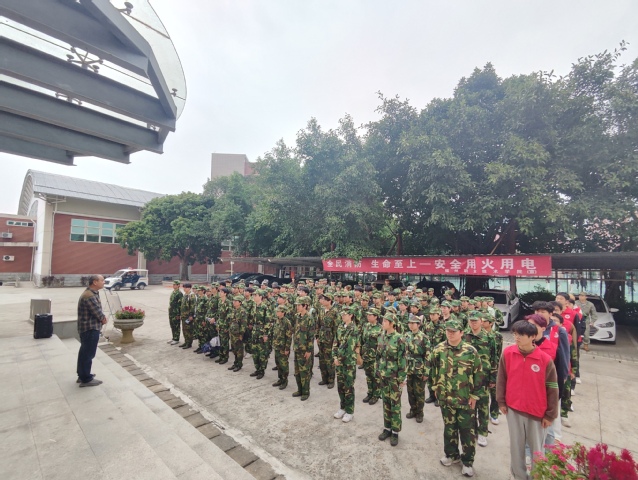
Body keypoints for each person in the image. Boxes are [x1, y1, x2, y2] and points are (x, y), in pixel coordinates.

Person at [497, 319, 559, 480]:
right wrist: (501, 401)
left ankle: (537, 476)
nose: (517, 337)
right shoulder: (508, 353)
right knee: (516, 447)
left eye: (521, 335)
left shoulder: (544, 360)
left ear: (533, 337)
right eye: (515, 334)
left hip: (537, 413)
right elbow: (502, 378)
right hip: (513, 409)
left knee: (537, 450)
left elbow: (552, 388)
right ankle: (519, 475)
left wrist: (550, 414)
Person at [431, 318, 483, 478]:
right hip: (446, 398)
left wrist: (475, 395)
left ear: (461, 333)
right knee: (449, 428)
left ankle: (467, 462)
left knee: (467, 432)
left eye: (454, 331)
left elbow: (478, 374)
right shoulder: (439, 349)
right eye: (448, 331)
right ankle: (451, 455)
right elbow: (433, 369)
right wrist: (435, 387)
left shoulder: (470, 351)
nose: (450, 334)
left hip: (465, 399)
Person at [377, 313, 407, 447]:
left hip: (394, 377)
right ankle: (387, 428)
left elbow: (403, 360)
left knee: (395, 405)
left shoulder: (400, 339)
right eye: (383, 320)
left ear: (392, 323)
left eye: (385, 321)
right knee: (386, 402)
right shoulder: (382, 336)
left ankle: (395, 432)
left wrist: (401, 378)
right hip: (383, 376)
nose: (383, 323)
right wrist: (377, 370)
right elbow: (378, 355)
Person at [76, 275, 107, 387]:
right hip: (90, 328)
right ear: (95, 282)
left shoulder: (92, 293)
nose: (104, 282)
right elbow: (97, 312)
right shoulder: (89, 296)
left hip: (88, 328)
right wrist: (103, 319)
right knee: (88, 353)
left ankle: (82, 375)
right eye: (102, 280)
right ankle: (86, 379)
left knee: (85, 352)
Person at [333, 306, 359, 423]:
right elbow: (335, 343)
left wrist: (339, 358)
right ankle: (342, 408)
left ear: (351, 315)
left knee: (348, 387)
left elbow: (349, 348)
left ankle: (350, 411)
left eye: (345, 314)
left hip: (348, 362)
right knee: (340, 386)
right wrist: (334, 357)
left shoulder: (354, 329)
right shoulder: (340, 327)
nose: (343, 316)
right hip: (339, 362)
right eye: (342, 314)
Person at [405, 314, 429, 424]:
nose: (410, 325)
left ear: (418, 325)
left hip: (420, 368)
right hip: (409, 368)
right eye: (409, 323)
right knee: (410, 392)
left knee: (419, 392)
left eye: (413, 323)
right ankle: (413, 410)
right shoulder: (406, 336)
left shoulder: (424, 337)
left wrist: (426, 372)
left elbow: (428, 356)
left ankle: (420, 412)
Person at [292, 296, 315, 401]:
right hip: (297, 348)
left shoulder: (309, 318)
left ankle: (306, 392)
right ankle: (299, 389)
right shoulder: (297, 316)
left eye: (299, 305)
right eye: (296, 305)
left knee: (304, 372)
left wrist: (309, 350)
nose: (297, 307)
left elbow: (311, 336)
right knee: (297, 372)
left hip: (304, 349)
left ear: (305, 306)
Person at [360, 308, 383, 405]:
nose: (368, 317)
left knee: (375, 376)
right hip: (366, 354)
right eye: (367, 315)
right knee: (368, 375)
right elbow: (362, 339)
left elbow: (382, 344)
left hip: (375, 356)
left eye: (370, 315)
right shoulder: (366, 325)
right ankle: (370, 393)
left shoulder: (381, 328)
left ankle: (376, 395)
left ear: (376, 316)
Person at [271, 305, 293, 389]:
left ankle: (284, 381)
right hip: (277, 346)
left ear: (283, 313)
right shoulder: (277, 320)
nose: (277, 312)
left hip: (283, 348)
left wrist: (287, 348)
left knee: (284, 365)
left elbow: (289, 337)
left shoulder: (287, 322)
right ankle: (280, 379)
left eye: (278, 311)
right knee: (278, 364)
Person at [167, 280, 183, 345]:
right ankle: (173, 337)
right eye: (173, 285)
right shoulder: (173, 292)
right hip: (171, 312)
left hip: (176, 312)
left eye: (175, 285)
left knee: (176, 325)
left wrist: (179, 314)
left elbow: (180, 305)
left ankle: (176, 339)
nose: (174, 286)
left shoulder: (179, 293)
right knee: (172, 325)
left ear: (178, 285)